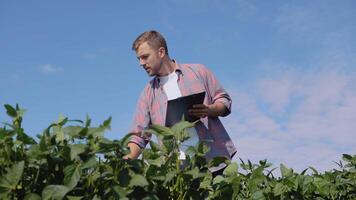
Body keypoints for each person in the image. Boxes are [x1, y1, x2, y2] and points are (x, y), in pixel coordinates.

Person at [124, 30, 236, 175]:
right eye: (139, 59)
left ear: (161, 52)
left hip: (214, 161)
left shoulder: (198, 72)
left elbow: (223, 99)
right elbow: (138, 136)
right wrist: (122, 163)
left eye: (145, 57)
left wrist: (210, 110)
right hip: (178, 170)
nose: (141, 63)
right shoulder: (147, 94)